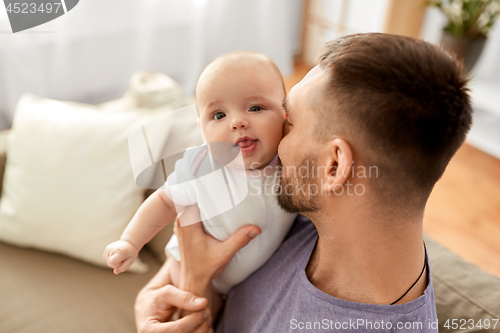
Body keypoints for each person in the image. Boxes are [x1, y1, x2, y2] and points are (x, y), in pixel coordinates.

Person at [134, 33, 473, 333]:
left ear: (334, 166)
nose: (274, 137)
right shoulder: (316, 214)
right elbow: (203, 243)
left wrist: (194, 281)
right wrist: (158, 293)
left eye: (290, 123)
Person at [103, 52, 297, 297]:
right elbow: (164, 201)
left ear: (286, 113)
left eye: (255, 107)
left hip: (251, 282)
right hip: (186, 267)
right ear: (202, 132)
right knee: (192, 317)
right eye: (219, 115)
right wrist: (130, 242)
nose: (237, 122)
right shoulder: (200, 168)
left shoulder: (292, 162)